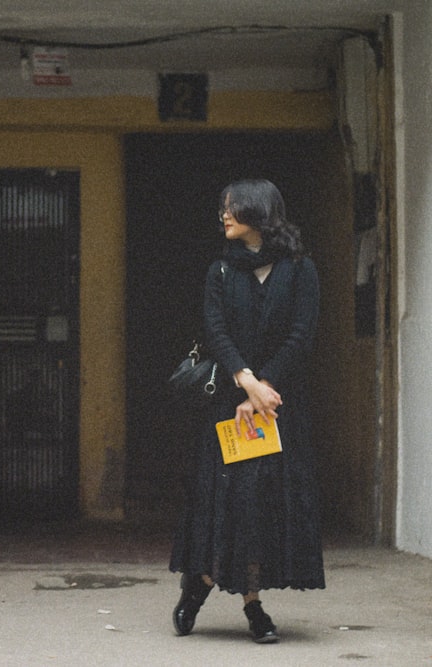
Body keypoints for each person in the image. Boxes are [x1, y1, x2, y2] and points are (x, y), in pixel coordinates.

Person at [169, 179, 325, 643]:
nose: (224, 215)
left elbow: (302, 334)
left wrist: (265, 388)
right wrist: (247, 382)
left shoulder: (300, 270)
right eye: (223, 208)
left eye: (233, 208)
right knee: (229, 503)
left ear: (259, 212)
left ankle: (252, 605)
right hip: (229, 407)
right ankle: (197, 587)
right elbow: (215, 332)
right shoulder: (219, 271)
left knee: (262, 506)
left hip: (276, 410)